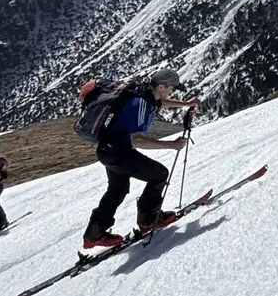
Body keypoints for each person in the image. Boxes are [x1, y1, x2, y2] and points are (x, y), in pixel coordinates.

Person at [82, 69, 197, 250]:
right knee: (159, 174)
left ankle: (93, 234)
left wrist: (185, 103)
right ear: (161, 86)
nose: (172, 92)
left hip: (107, 150)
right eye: (171, 89)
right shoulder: (140, 104)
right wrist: (171, 144)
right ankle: (149, 219)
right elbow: (137, 140)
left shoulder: (146, 94)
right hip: (120, 152)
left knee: (117, 189)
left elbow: (161, 103)